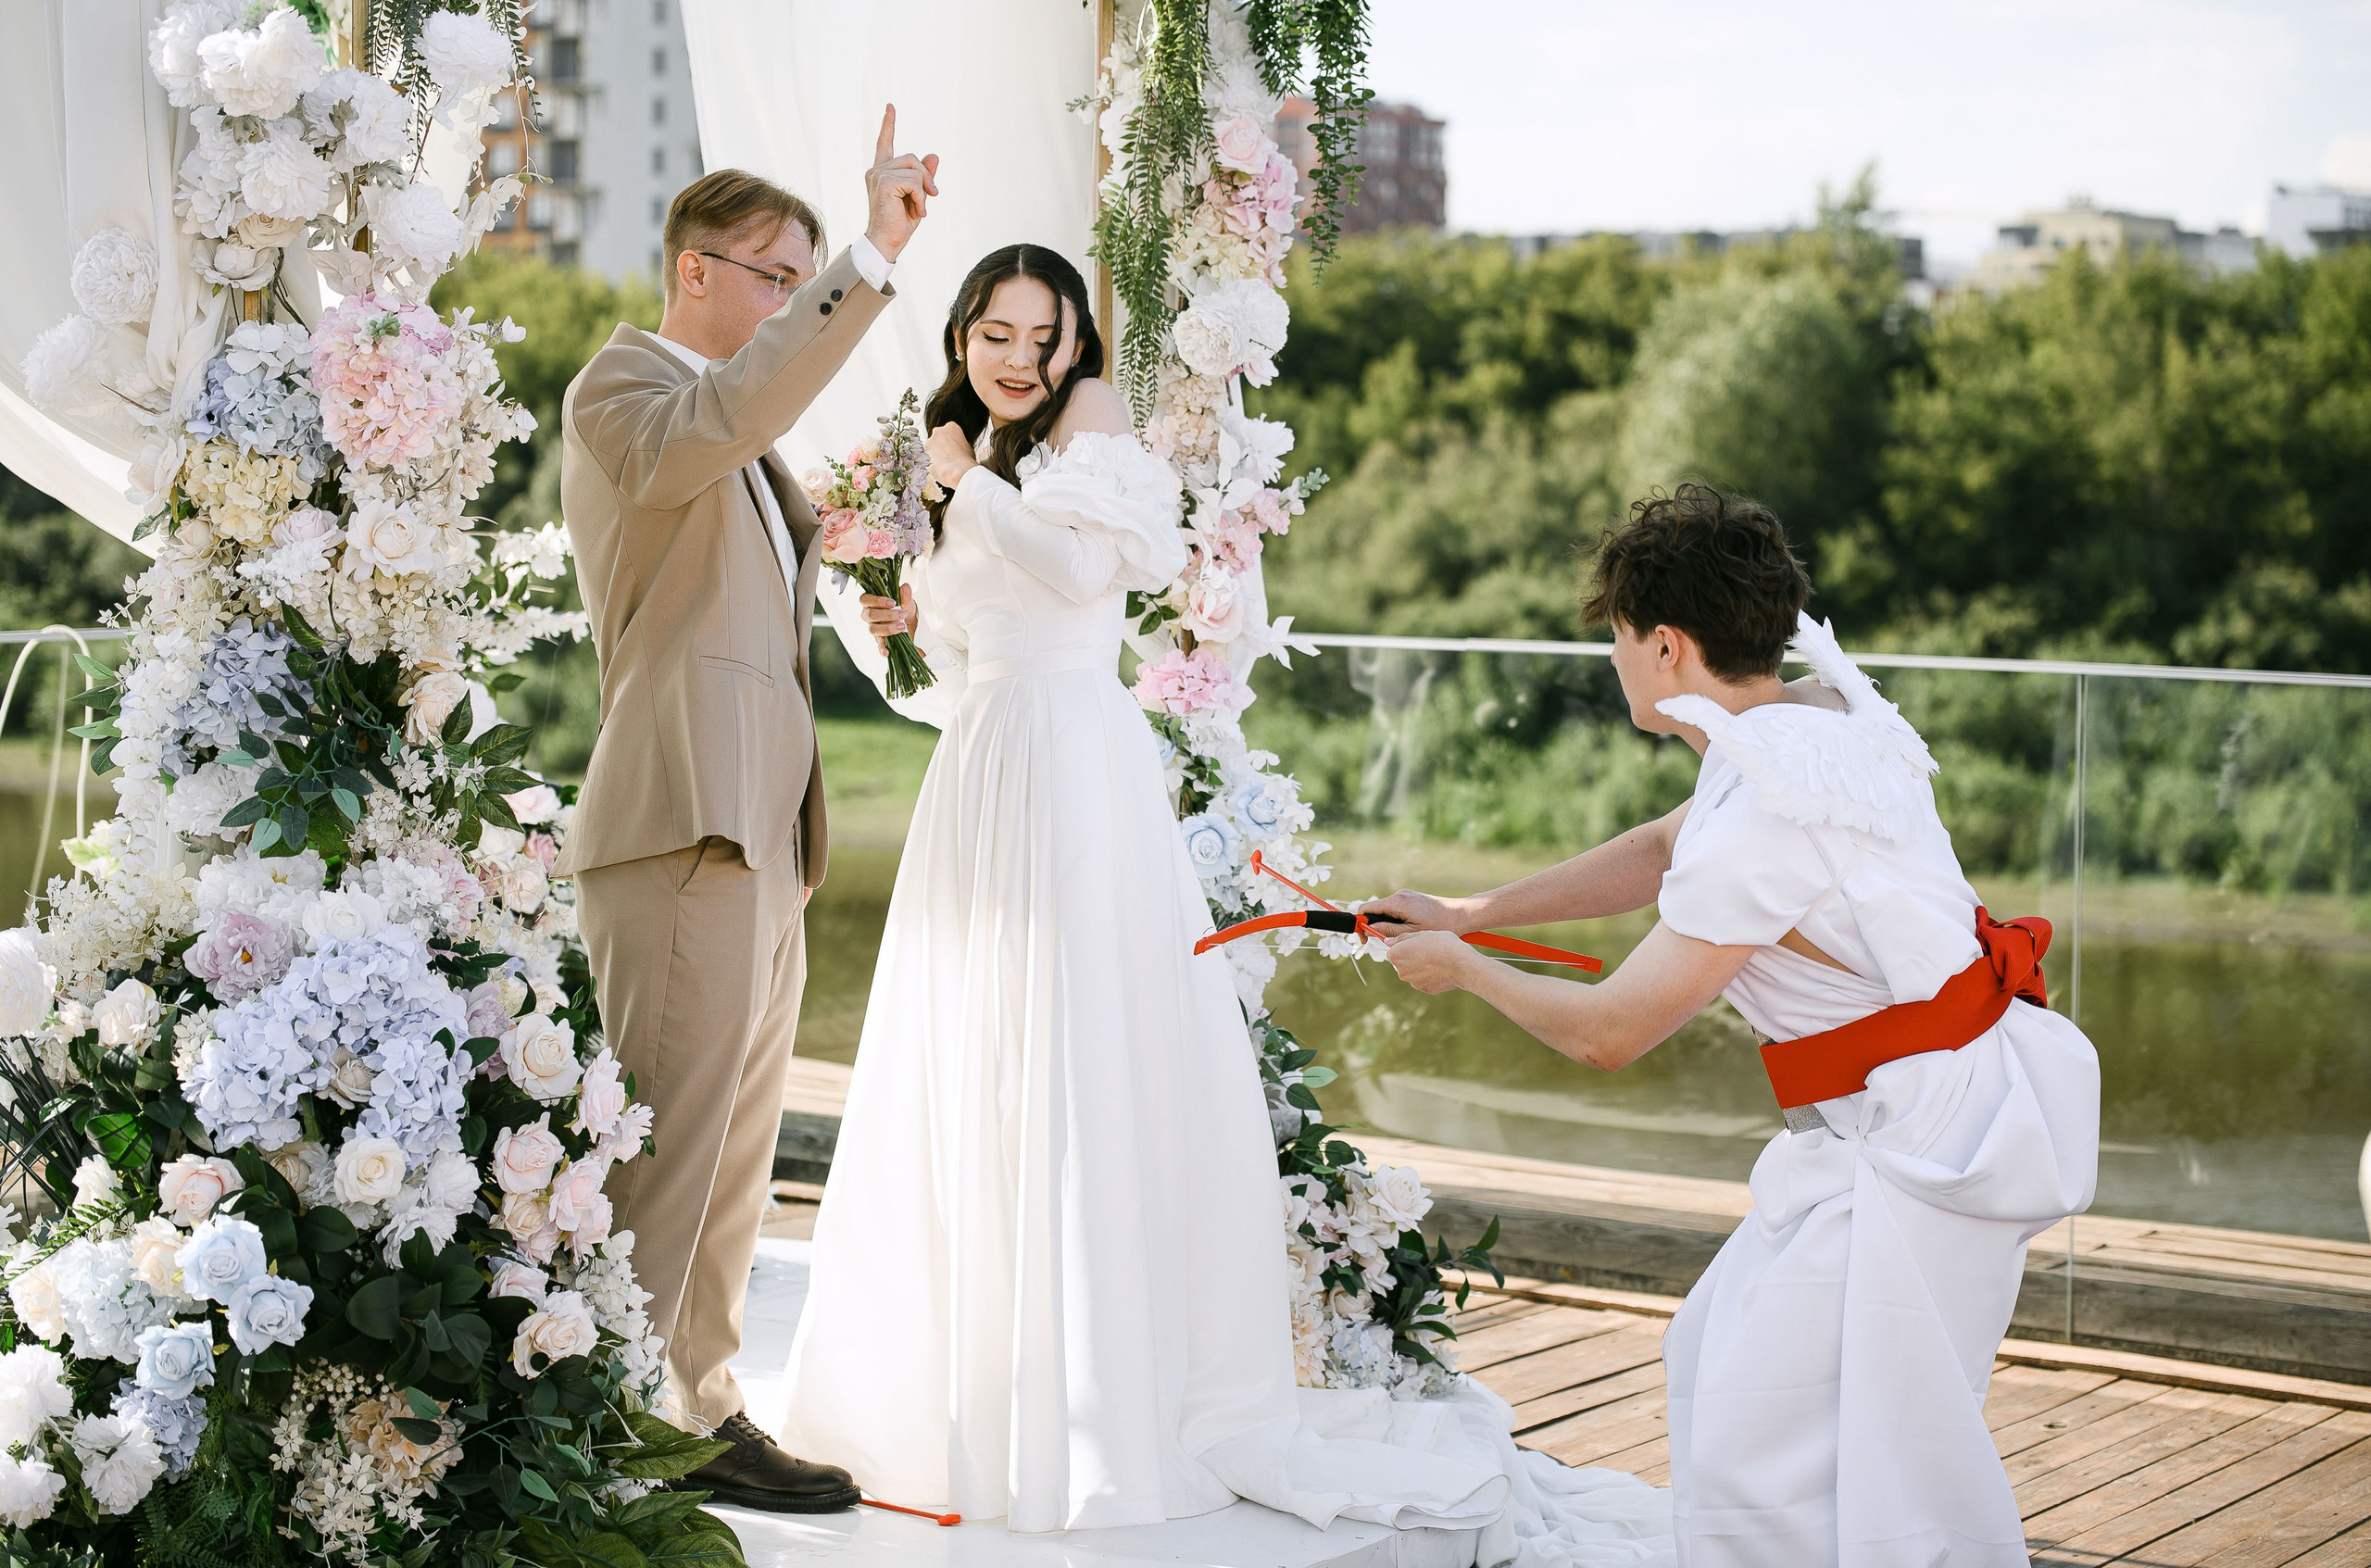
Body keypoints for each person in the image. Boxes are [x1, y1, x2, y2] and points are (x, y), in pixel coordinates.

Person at [786, 245, 1675, 1562]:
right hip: (981, 773)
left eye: (1045, 332)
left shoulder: (1078, 433)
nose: (1018, 355)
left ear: (1078, 344)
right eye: (995, 331)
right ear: (963, 333)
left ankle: (1094, 1406)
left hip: (1080, 775)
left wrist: (963, 487)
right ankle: (969, 1396)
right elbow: (952, 672)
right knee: (970, 1057)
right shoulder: (950, 456)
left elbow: (1090, 581)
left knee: (1083, 1056)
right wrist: (888, 617)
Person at [1374, 486, 2101, 1566]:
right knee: (1737, 1369)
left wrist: (1466, 970)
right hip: (1933, 1110)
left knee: (1788, 1446)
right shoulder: (1811, 715)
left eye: (1619, 640)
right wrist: (1477, 910)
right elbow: (1665, 842)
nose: (1615, 660)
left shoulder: (1768, 810)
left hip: (1918, 1146)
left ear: (1665, 644)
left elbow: (1609, 1031)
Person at [551, 112, 938, 1512]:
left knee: (733, 1162)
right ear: (694, 268)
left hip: (760, 840)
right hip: (676, 826)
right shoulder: (628, 394)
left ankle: (699, 1409)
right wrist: (870, 256)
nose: (789, 298)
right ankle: (596, 1441)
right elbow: (732, 412)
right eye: (773, 274)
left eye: (800, 277)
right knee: (659, 1152)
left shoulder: (744, 447)